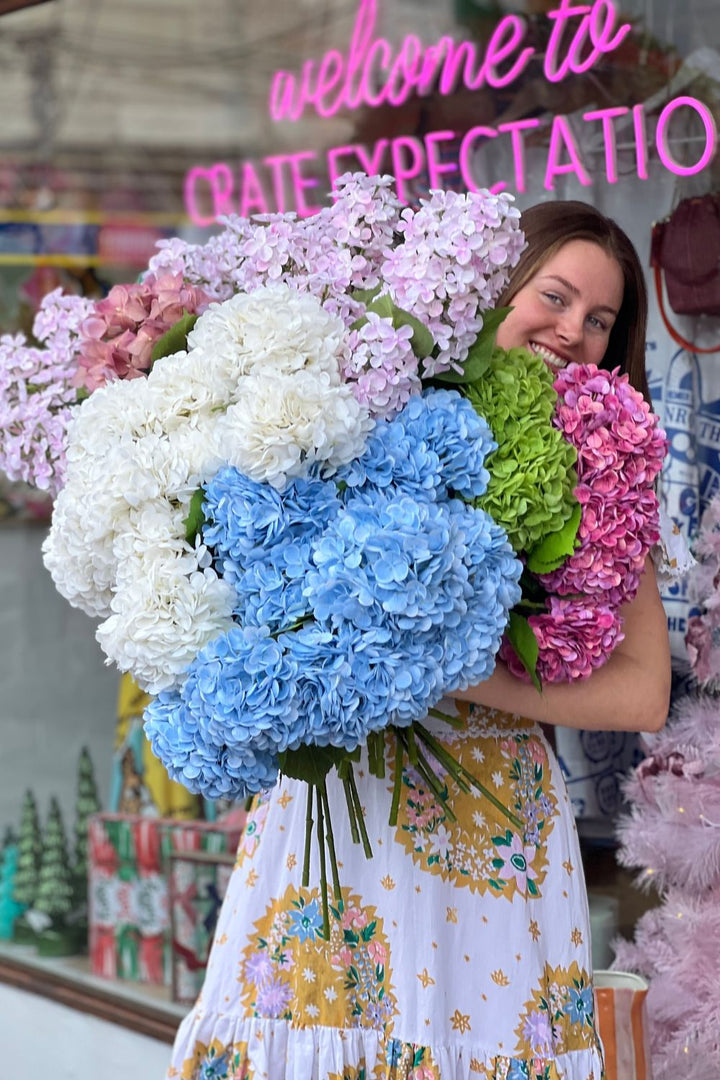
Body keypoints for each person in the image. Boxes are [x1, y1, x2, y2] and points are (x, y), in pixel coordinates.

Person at [166, 201, 671, 1080]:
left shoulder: (605, 469)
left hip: (493, 825)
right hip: (340, 803)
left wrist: (430, 670)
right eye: (553, 297)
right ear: (493, 290)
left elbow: (643, 693)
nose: (573, 332)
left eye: (600, 321)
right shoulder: (370, 400)